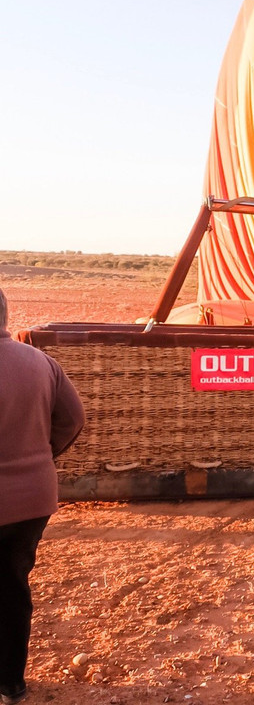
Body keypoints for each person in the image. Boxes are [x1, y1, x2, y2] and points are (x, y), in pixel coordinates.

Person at [0, 287, 85, 704]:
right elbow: (73, 418)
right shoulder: (40, 362)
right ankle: (12, 682)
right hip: (32, 499)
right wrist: (40, 455)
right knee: (13, 586)